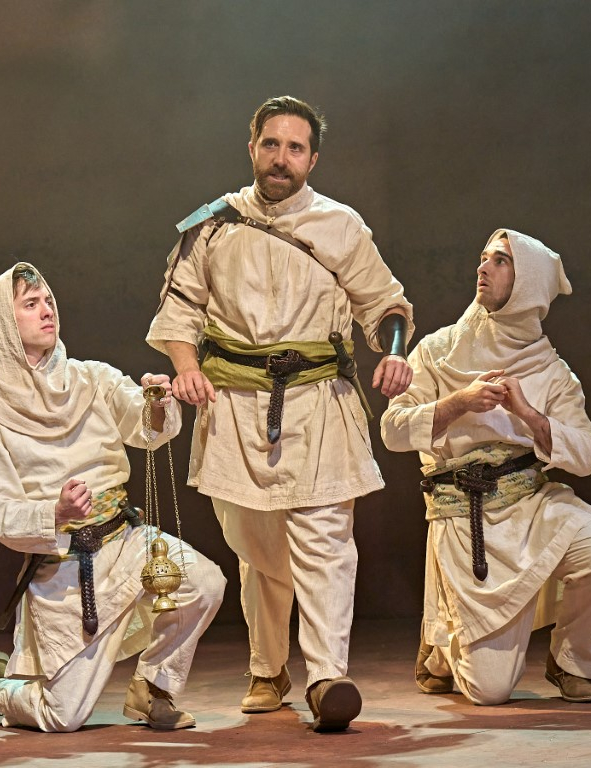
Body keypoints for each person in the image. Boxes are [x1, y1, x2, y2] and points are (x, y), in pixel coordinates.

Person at [146, 95, 414, 731]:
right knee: (256, 544)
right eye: (272, 144)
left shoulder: (342, 226)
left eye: (295, 148)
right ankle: (268, 667)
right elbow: (178, 309)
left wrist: (396, 354)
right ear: (252, 149)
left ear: (312, 159)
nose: (281, 159)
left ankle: (327, 678)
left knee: (326, 543)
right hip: (234, 405)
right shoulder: (213, 225)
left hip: (321, 402)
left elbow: (386, 305)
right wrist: (186, 368)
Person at [0, 262, 225, 732]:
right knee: (62, 716)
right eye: (31, 304)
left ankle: (154, 689)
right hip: (65, 569)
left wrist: (157, 402)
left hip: (124, 541)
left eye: (49, 301)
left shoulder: (92, 379)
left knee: (204, 582)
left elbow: (146, 431)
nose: (47, 311)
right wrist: (53, 512)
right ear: (5, 323)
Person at [380, 230, 591, 705]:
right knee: (490, 691)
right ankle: (441, 643)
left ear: (529, 283)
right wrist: (457, 403)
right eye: (483, 258)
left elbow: (588, 454)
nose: (483, 267)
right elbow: (392, 429)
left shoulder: (551, 370)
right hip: (465, 514)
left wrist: (529, 415)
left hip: (532, 505)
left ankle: (572, 660)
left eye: (500, 261)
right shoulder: (438, 351)